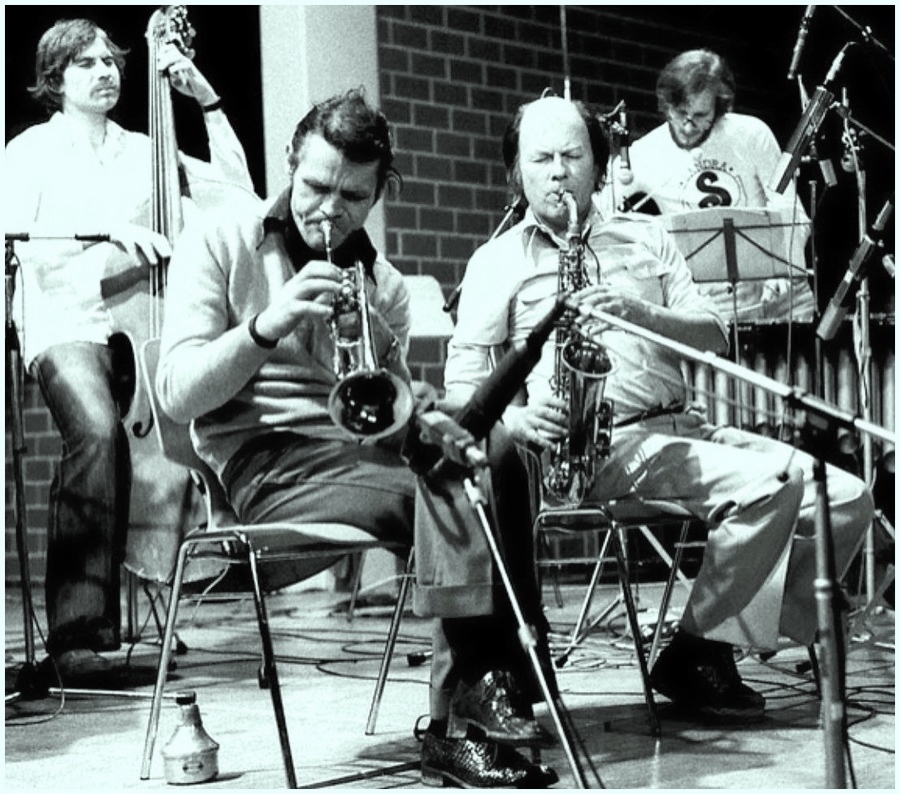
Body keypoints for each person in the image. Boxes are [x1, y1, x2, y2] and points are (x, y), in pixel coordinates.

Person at [155, 88, 559, 788]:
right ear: (290, 162)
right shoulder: (220, 239)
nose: (328, 209)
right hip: (266, 468)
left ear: (377, 194)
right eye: (314, 186)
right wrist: (266, 325)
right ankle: (485, 694)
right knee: (444, 488)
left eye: (352, 195)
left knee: (489, 461)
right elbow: (177, 392)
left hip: (363, 461)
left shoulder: (386, 284)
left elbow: (387, 408)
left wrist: (430, 421)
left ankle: (478, 700)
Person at [445, 94, 873, 723]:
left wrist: (644, 314)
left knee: (847, 495)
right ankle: (707, 651)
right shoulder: (496, 261)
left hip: (684, 424)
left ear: (598, 162)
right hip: (597, 443)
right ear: (518, 172)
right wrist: (512, 420)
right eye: (542, 159)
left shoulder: (649, 236)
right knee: (768, 490)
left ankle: (707, 642)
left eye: (572, 155)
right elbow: (461, 382)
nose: (559, 171)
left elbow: (714, 333)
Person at [3, 18, 255, 685]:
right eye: (85, 64)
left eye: (110, 60)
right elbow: (13, 235)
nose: (106, 71)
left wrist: (205, 98)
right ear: (54, 80)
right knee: (94, 432)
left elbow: (238, 197)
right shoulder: (30, 151)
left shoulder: (146, 146)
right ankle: (74, 634)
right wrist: (103, 233)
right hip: (62, 321)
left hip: (139, 325)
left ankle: (149, 610)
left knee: (165, 442)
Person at [600, 49, 816, 324]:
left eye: (702, 115)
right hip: (715, 308)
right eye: (681, 113)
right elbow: (601, 211)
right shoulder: (645, 153)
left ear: (719, 109)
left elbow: (789, 208)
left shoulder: (752, 135)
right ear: (666, 105)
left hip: (784, 299)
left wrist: (782, 267)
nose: (689, 125)